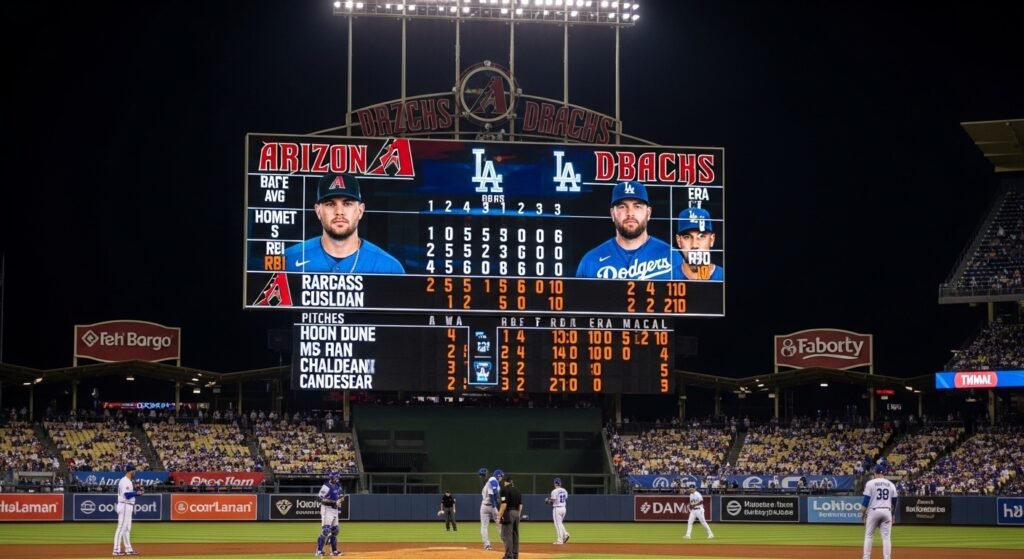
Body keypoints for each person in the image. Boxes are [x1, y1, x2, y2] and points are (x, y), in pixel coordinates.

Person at [285, 173, 405, 274]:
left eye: (347, 204)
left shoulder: (389, 267)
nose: (339, 212)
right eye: (330, 204)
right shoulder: (287, 260)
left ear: (360, 210)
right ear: (318, 211)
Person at [576, 180, 682, 279]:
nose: (630, 213)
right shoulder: (591, 261)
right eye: (622, 206)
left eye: (637, 206)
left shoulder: (672, 257)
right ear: (612, 214)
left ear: (648, 213)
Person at [675, 206, 724, 280]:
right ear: (679, 241)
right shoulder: (667, 277)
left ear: (711, 240)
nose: (694, 245)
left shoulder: (722, 276)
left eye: (701, 236)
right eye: (687, 237)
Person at [862, 464, 898, 559]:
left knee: (869, 536)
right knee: (886, 538)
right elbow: (894, 501)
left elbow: (865, 501)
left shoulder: (870, 483)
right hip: (887, 511)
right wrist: (893, 514)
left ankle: (866, 557)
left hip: (874, 511)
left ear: (874, 473)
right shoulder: (891, 484)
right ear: (883, 473)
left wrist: (863, 514)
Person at [113, 464, 141, 556]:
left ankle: (128, 549)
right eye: (134, 470)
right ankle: (116, 550)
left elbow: (129, 493)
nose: (135, 472)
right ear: (130, 471)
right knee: (121, 528)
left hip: (127, 506)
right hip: (124, 505)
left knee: (127, 529)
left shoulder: (128, 481)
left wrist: (136, 492)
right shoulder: (125, 481)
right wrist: (137, 493)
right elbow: (127, 495)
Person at [316, 471, 345, 557]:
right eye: (336, 477)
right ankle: (319, 550)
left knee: (335, 530)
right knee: (326, 530)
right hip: (327, 509)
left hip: (335, 510)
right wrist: (333, 502)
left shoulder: (338, 485)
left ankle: (334, 551)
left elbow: (341, 496)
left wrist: (340, 500)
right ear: (332, 478)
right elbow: (319, 498)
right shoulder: (326, 486)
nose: (337, 479)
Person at [496, 475, 522, 559]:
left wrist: (499, 516)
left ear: (505, 481)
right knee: (515, 535)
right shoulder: (517, 490)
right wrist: (518, 514)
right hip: (517, 513)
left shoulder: (504, 489)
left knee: (506, 535)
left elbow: (504, 504)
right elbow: (520, 505)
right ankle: (515, 555)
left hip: (508, 513)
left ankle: (508, 555)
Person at [479, 469, 503, 550]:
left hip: (484, 506)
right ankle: (506, 543)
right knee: (500, 525)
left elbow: (494, 494)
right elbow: (492, 494)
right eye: (501, 476)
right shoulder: (493, 479)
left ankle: (487, 545)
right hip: (492, 506)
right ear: (499, 476)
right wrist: (494, 507)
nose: (501, 478)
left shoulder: (490, 482)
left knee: (484, 526)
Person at [545, 477, 570, 544]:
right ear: (560, 483)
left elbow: (553, 500)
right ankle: (565, 534)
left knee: (557, 524)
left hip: (557, 509)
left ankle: (560, 540)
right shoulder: (565, 490)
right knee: (560, 523)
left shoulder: (554, 491)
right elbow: (565, 498)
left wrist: (548, 501)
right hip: (564, 508)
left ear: (555, 483)